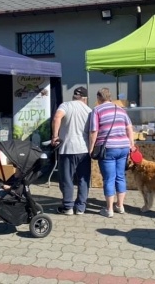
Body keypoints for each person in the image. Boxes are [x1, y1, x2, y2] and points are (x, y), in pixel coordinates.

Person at [89, 87, 134, 218]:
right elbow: (129, 128)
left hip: (108, 148)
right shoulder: (121, 110)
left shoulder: (96, 110)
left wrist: (91, 148)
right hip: (123, 147)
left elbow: (94, 131)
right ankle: (120, 206)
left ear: (98, 98)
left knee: (109, 178)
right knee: (120, 176)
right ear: (110, 97)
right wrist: (131, 144)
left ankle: (109, 209)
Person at [51, 86, 92, 215]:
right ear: (85, 98)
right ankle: (80, 207)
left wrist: (55, 136)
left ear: (74, 96)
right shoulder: (89, 110)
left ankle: (68, 206)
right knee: (83, 179)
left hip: (67, 148)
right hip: (84, 149)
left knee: (67, 178)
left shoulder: (65, 105)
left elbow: (57, 117)